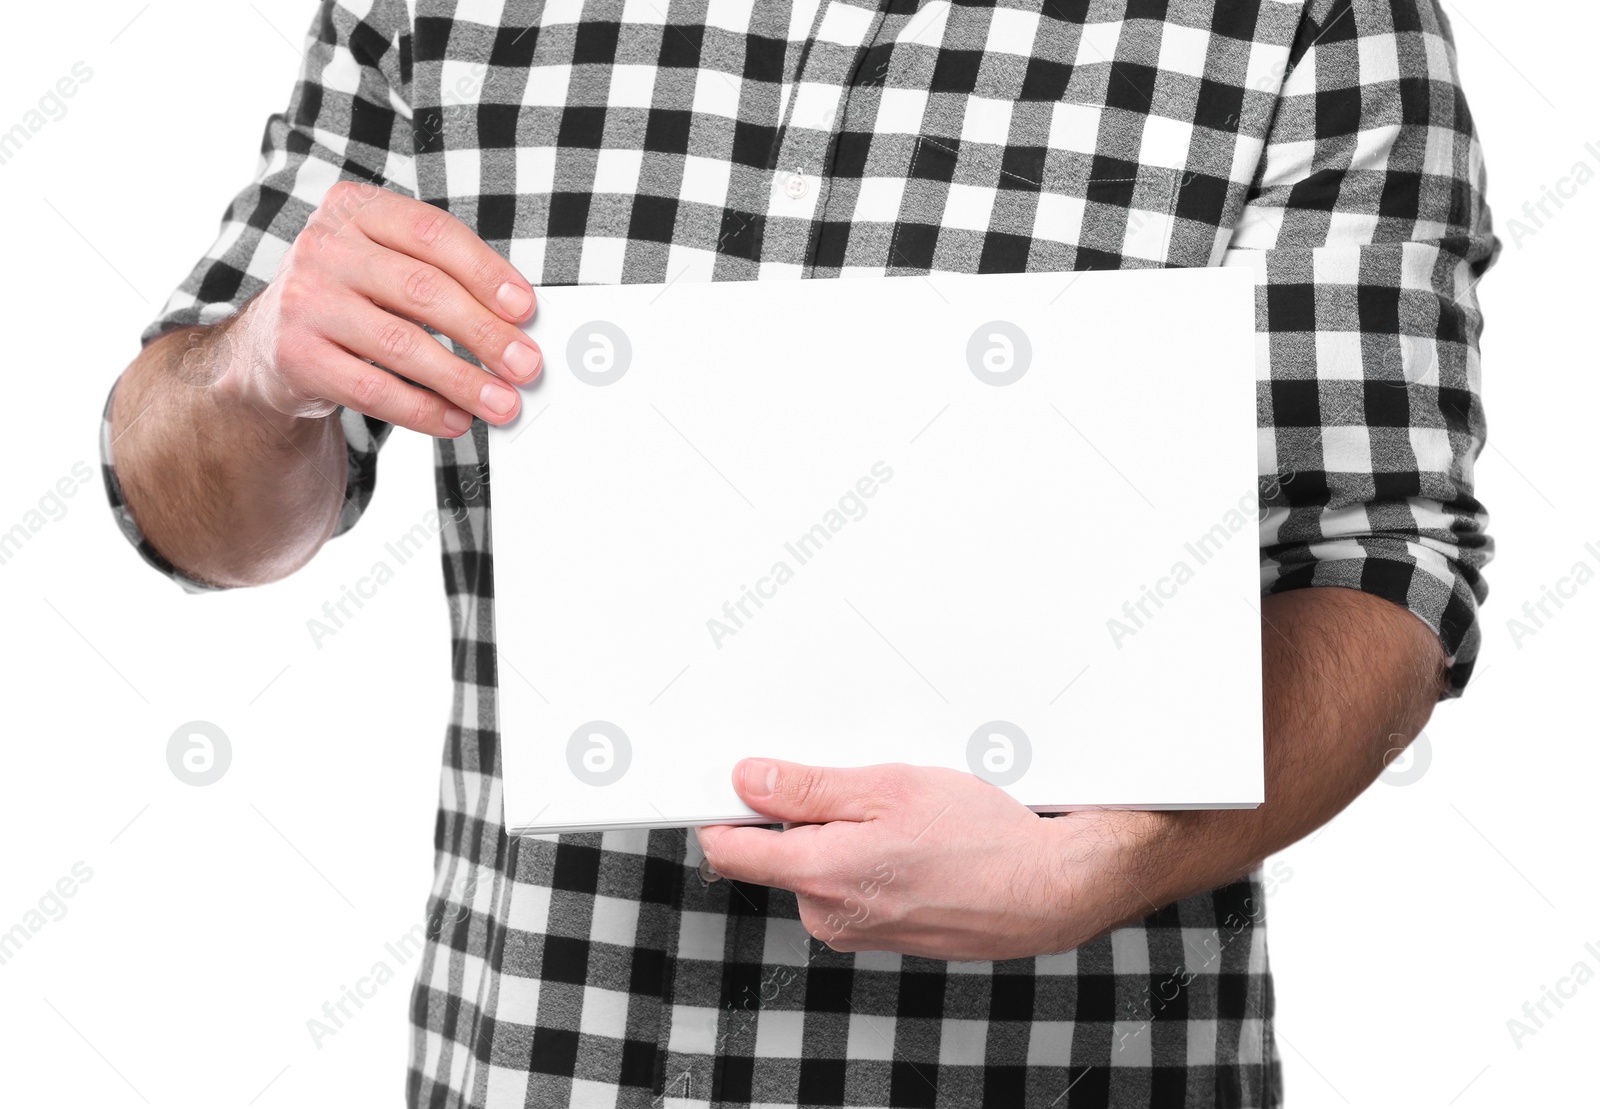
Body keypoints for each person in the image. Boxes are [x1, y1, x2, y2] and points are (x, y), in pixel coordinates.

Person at [100, 1, 1495, 1105]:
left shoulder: (1309, 21)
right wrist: (259, 368)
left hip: (1060, 1068)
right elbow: (193, 514)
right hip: (538, 1058)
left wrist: (1118, 856)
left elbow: (1382, 560)